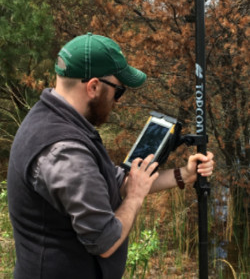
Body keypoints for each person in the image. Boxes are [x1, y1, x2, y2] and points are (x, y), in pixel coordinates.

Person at [7, 32, 214, 279]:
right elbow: (104, 241)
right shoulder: (65, 150)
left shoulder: (54, 120)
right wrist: (135, 198)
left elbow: (115, 183)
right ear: (93, 86)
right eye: (118, 91)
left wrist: (183, 175)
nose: (118, 101)